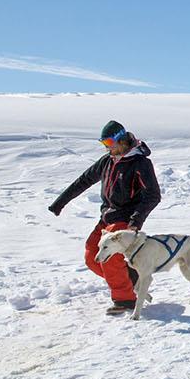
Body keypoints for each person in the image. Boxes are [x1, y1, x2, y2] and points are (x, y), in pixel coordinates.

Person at [48, 120, 161, 315]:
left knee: (108, 258)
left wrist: (135, 222)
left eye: (109, 142)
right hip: (107, 217)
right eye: (103, 144)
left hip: (126, 219)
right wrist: (60, 202)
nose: (107, 147)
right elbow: (83, 181)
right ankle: (131, 278)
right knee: (92, 257)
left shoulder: (139, 163)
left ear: (121, 140)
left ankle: (125, 300)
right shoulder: (107, 161)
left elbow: (153, 195)